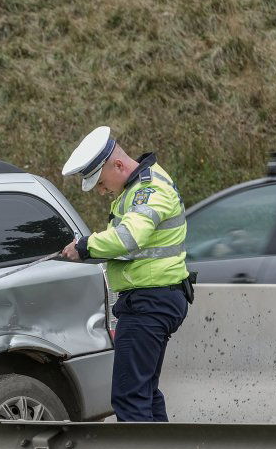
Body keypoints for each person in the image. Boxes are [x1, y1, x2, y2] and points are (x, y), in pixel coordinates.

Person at [58, 126, 192, 422]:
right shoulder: (136, 190)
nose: (102, 191)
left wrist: (86, 246)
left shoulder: (149, 190)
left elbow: (129, 237)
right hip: (153, 299)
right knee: (144, 393)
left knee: (130, 397)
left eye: (102, 183)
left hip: (150, 302)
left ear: (118, 164)